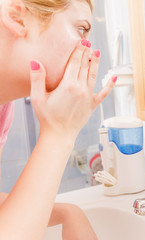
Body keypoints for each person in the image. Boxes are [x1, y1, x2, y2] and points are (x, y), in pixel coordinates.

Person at [0, 0, 116, 239]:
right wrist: (59, 132)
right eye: (82, 29)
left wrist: (66, 212)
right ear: (17, 18)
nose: (88, 50)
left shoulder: (4, 110)